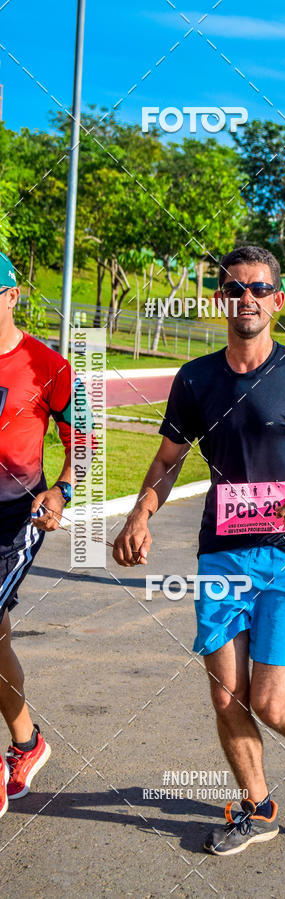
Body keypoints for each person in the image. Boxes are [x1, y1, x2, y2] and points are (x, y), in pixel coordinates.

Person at [113, 245, 285, 856]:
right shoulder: (196, 378)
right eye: (233, 289)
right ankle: (258, 807)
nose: (244, 299)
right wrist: (140, 514)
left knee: (270, 703)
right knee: (226, 695)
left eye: (257, 288)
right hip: (221, 554)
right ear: (221, 299)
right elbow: (168, 461)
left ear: (276, 300)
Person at [0, 252, 89, 816]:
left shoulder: (49, 365)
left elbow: (84, 439)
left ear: (11, 296)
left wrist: (62, 491)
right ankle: (27, 745)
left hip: (15, 516)